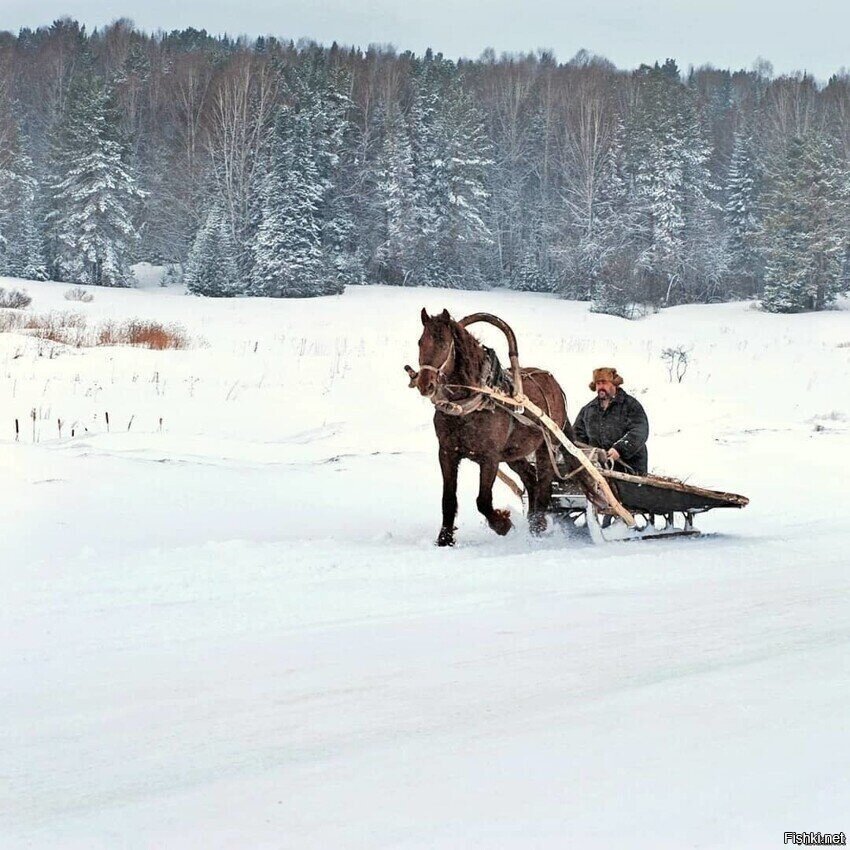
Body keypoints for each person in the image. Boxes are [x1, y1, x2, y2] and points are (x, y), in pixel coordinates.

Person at [573, 367, 649, 474]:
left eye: (604, 382)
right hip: (599, 470)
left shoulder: (630, 405)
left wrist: (620, 449)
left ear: (614, 383)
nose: (600, 387)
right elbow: (577, 435)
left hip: (630, 469)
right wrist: (587, 454)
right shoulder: (588, 410)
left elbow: (639, 431)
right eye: (598, 383)